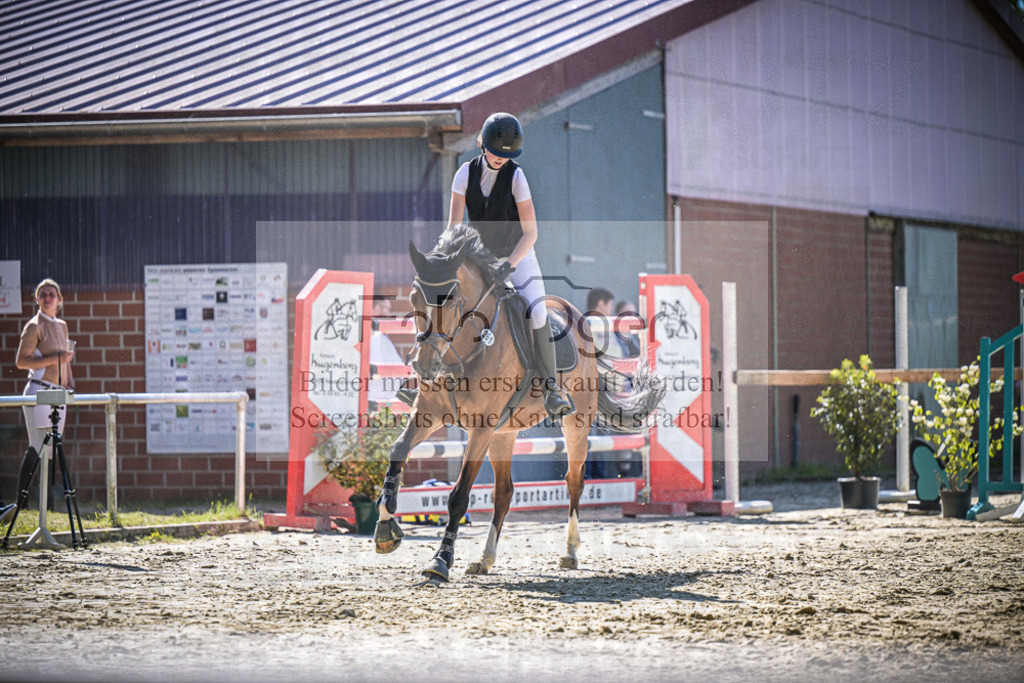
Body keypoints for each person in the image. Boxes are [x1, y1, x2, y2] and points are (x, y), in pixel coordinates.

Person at [446, 112, 573, 421]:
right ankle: (429, 379)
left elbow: (532, 233)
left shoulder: (516, 177)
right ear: (481, 145)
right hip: (480, 259)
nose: (501, 158)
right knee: (445, 303)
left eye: (508, 154)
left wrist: (509, 265)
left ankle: (552, 388)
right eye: (496, 151)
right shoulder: (464, 174)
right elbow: (454, 227)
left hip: (519, 256)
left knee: (537, 311)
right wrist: (449, 260)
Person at [12, 278, 75, 516]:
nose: (48, 298)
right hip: (38, 389)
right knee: (37, 446)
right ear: (37, 299)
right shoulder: (33, 326)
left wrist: (69, 382)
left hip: (57, 391)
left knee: (52, 448)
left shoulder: (62, 325)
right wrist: (56, 358)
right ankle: (22, 504)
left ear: (59, 300)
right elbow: (21, 361)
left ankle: (47, 506)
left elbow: (65, 360)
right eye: (43, 294)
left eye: (52, 294)